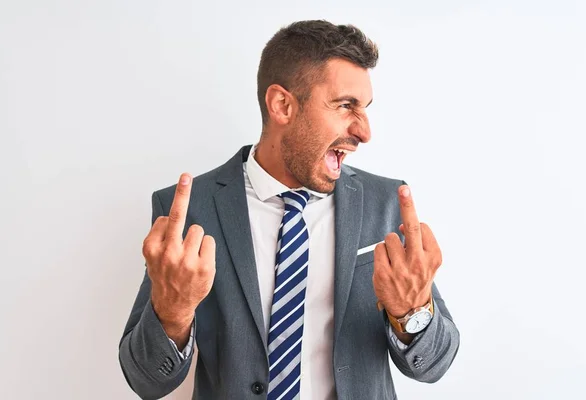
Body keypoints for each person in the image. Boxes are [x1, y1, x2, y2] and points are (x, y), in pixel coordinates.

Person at [118, 20, 460, 400]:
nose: (364, 132)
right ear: (282, 105)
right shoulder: (189, 209)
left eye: (364, 108)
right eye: (346, 105)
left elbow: (436, 364)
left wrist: (411, 313)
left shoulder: (385, 203)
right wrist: (173, 313)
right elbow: (146, 379)